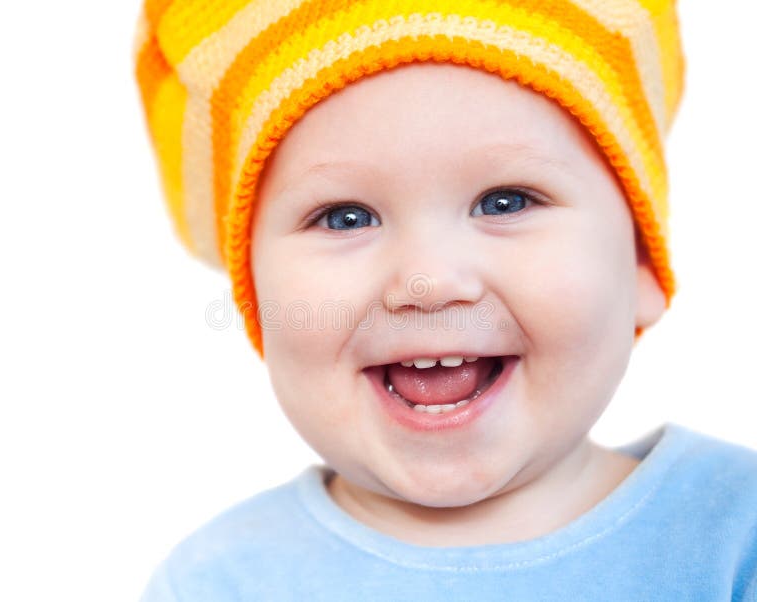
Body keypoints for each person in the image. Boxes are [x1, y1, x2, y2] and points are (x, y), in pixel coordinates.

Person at [134, 2, 757, 599]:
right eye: (346, 217)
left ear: (643, 261)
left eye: (505, 201)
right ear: (255, 298)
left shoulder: (736, 539)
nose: (427, 281)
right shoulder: (219, 583)